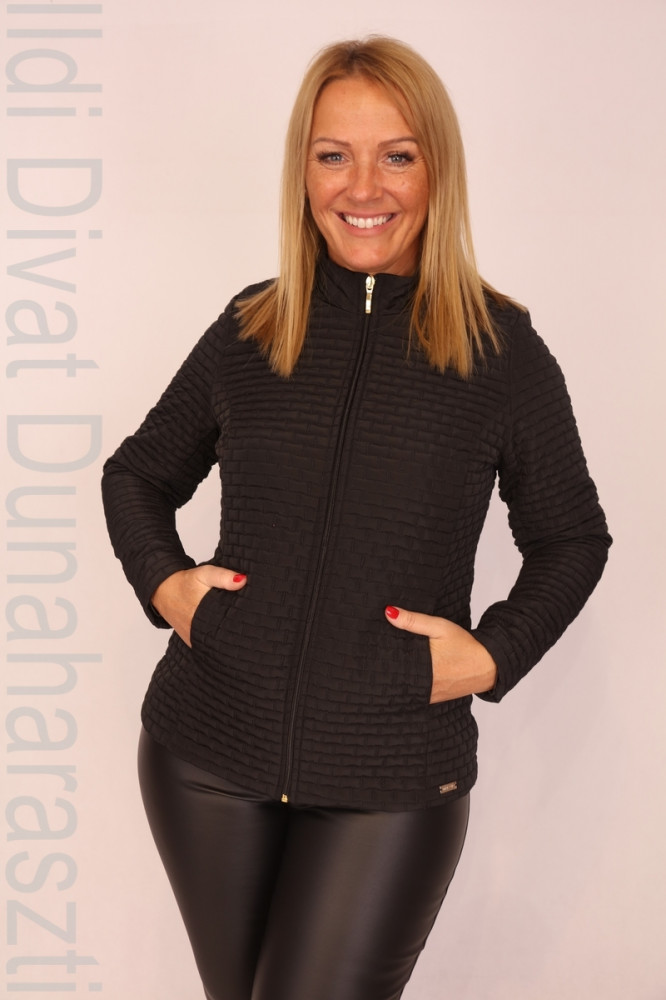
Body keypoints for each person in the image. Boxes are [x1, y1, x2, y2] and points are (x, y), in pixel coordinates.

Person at [102, 35, 611, 1000]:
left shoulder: (501, 350)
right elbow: (136, 475)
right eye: (333, 154)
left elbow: (571, 538)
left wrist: (493, 655)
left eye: (397, 155)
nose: (363, 186)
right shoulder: (253, 327)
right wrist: (169, 588)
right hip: (205, 754)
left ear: (436, 170)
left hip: (392, 776)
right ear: (303, 173)